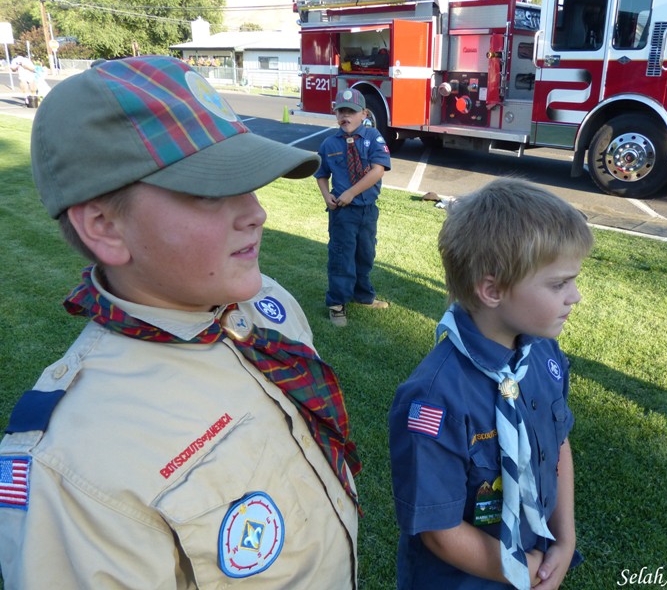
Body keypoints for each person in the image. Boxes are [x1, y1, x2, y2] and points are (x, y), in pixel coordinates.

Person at [0, 55, 361, 588]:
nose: (256, 212)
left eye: (249, 182)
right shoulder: (74, 466)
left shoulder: (265, 303)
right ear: (105, 226)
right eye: (210, 190)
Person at [388, 178, 594, 590]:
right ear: (493, 289)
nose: (575, 297)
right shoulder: (433, 400)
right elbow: (439, 531)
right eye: (558, 284)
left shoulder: (543, 356)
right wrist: (521, 570)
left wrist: (565, 539)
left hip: (535, 559)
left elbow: (559, 444)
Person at [314, 88, 392, 327]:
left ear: (364, 114)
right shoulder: (329, 143)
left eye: (351, 111)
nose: (345, 116)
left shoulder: (373, 137)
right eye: (341, 111)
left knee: (365, 255)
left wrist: (351, 192)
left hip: (367, 211)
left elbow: (378, 170)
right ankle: (337, 304)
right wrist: (327, 196)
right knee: (341, 256)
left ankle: (363, 295)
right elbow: (321, 174)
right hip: (343, 214)